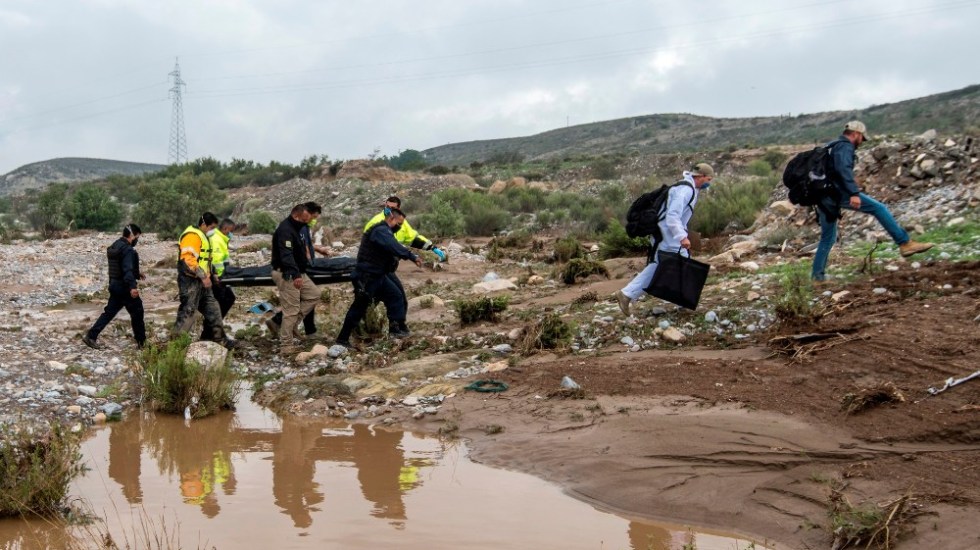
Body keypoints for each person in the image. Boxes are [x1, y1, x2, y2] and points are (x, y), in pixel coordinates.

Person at [811, 121, 933, 282]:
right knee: (879, 208)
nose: (861, 142)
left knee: (828, 237)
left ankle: (817, 277)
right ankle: (905, 243)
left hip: (823, 196)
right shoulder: (845, 146)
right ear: (856, 134)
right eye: (861, 138)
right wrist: (853, 193)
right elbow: (843, 170)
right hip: (837, 193)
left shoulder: (831, 146)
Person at [614, 163, 714, 316]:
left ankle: (683, 301)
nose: (709, 182)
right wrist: (682, 237)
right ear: (700, 177)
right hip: (668, 233)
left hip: (666, 232)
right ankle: (628, 294)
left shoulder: (687, 188)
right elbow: (672, 216)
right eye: (708, 179)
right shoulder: (685, 190)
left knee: (676, 262)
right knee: (666, 264)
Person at [336, 207, 423, 348]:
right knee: (359, 307)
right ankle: (342, 339)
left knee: (395, 296)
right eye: (399, 223)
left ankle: (395, 329)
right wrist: (411, 256)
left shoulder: (386, 232)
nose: (400, 227)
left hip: (378, 275)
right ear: (391, 219)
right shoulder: (380, 231)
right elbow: (392, 246)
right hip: (366, 276)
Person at [266, 202, 328, 338]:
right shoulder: (287, 229)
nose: (312, 220)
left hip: (300, 269)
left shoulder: (299, 226)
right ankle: (287, 344)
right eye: (312, 217)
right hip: (289, 272)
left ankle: (288, 325)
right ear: (298, 215)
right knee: (291, 310)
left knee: (312, 295)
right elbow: (287, 254)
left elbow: (302, 245)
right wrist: (296, 274)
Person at [173, 212, 233, 347]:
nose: (212, 231)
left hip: (202, 281)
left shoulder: (203, 236)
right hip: (190, 282)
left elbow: (206, 260)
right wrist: (203, 276)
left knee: (213, 308)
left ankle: (219, 340)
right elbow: (188, 260)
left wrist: (213, 274)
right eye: (211, 227)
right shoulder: (192, 236)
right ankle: (175, 346)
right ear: (204, 224)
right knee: (188, 311)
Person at [82, 224, 146, 350]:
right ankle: (142, 343)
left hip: (114, 285)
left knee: (109, 313)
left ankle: (91, 336)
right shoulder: (127, 249)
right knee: (138, 312)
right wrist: (132, 287)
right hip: (125, 287)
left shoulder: (115, 245)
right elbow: (127, 269)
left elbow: (119, 266)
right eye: (137, 237)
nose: (137, 240)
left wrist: (137, 273)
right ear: (132, 235)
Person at [363, 196, 446, 261]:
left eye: (392, 208)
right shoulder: (376, 222)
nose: (389, 210)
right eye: (387, 207)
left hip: (390, 260)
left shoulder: (402, 222)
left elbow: (413, 238)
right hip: (375, 259)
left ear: (398, 209)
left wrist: (432, 247)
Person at [201, 218, 236, 341]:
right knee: (220, 304)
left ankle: (210, 332)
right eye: (230, 231)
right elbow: (215, 260)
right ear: (225, 228)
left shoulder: (221, 238)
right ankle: (212, 334)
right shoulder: (216, 239)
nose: (231, 233)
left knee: (228, 299)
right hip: (217, 279)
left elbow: (222, 259)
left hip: (222, 277)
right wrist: (218, 275)